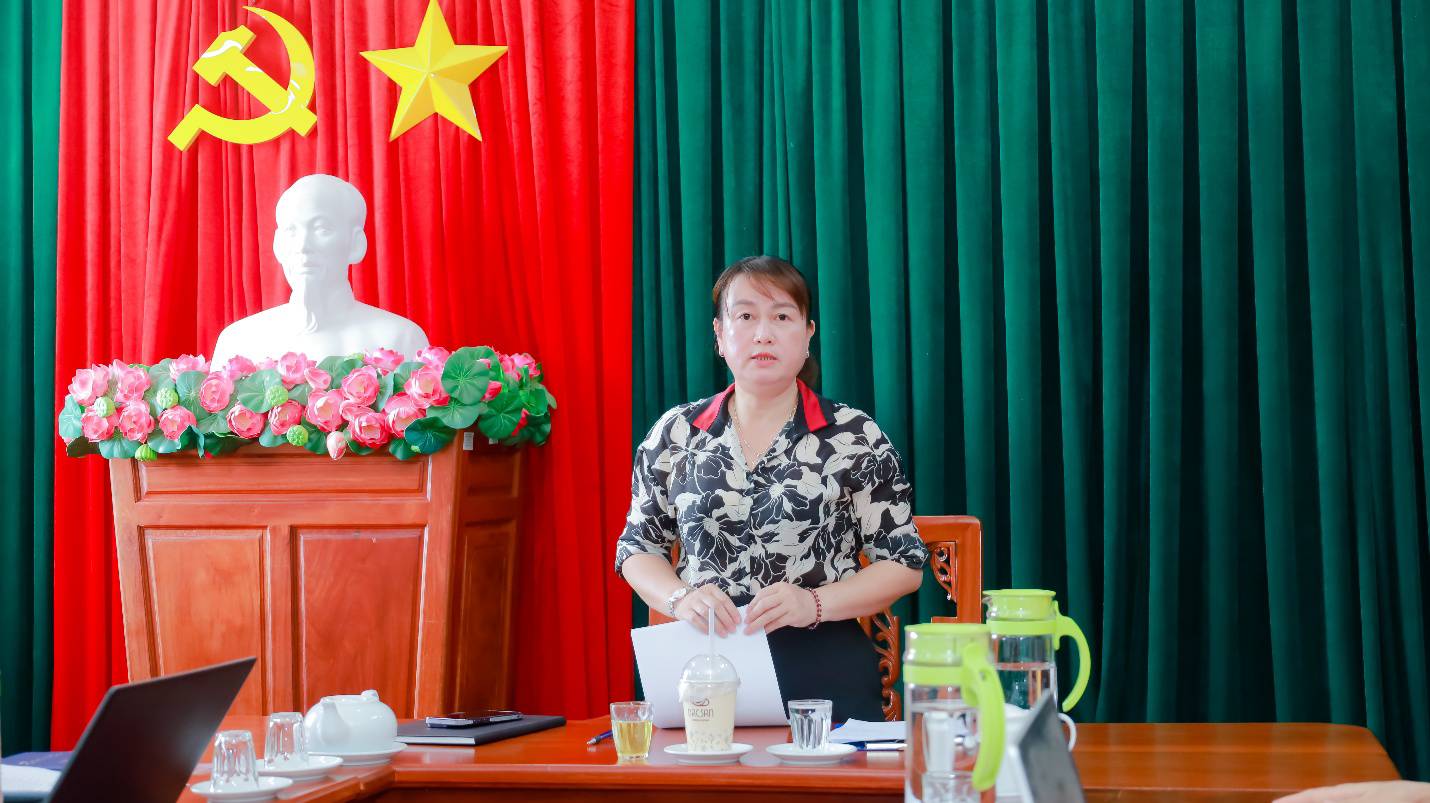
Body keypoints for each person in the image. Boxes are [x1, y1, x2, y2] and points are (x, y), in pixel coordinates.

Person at [615, 255, 927, 721]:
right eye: (745, 316)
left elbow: (903, 564)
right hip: (705, 667)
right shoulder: (675, 433)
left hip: (822, 662)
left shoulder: (854, 435)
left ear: (808, 334)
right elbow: (637, 550)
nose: (763, 333)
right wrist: (680, 598)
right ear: (720, 335)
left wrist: (814, 603)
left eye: (782, 317)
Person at [210, 173, 429, 366]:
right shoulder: (239, 342)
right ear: (278, 245)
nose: (303, 246)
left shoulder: (401, 340)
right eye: (292, 230)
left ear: (356, 244)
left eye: (322, 228)